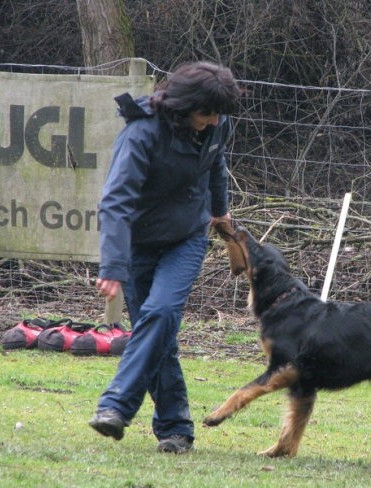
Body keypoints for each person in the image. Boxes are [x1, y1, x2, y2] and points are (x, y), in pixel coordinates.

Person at [89, 61, 241, 454]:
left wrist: (221, 213)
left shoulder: (213, 125)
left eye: (218, 114)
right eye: (206, 113)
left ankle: (115, 407)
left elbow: (216, 164)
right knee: (158, 335)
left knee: (161, 314)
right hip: (138, 243)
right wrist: (113, 267)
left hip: (186, 238)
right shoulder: (142, 133)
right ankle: (175, 429)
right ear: (182, 105)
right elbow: (116, 202)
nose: (213, 121)